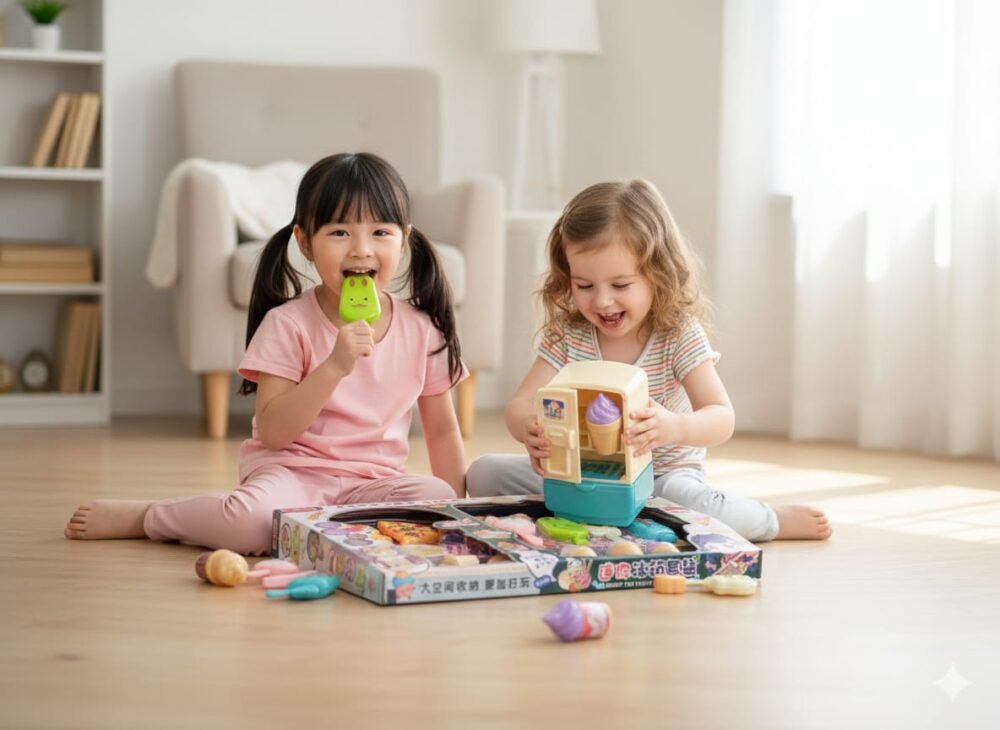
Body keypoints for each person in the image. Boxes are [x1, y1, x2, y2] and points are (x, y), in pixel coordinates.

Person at [65, 153, 467, 554]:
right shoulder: (287, 324)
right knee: (248, 524)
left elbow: (442, 431)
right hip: (292, 474)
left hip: (374, 484)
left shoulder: (422, 330)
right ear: (305, 242)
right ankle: (149, 516)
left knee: (436, 497)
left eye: (380, 232)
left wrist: (463, 514)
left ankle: (317, 527)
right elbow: (273, 432)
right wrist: (333, 366)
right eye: (340, 232)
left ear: (404, 239)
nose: (361, 250)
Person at [466, 179, 831, 541]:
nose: (602, 301)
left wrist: (675, 427)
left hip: (662, 480)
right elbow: (520, 403)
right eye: (584, 285)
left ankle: (771, 520)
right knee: (484, 473)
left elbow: (722, 416)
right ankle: (596, 511)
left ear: (658, 274)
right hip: (580, 475)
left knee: (706, 509)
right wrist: (528, 427)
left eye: (620, 285)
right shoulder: (568, 335)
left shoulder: (677, 334)